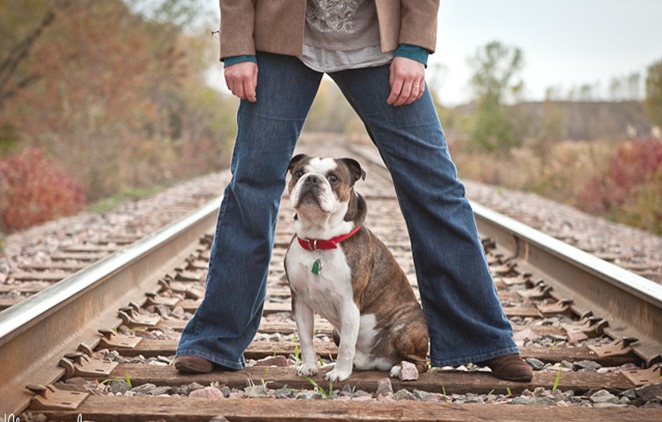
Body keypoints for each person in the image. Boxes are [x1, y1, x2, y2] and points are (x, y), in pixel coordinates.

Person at [173, 0, 533, 382]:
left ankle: (484, 338)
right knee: (251, 186)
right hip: (279, 37)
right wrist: (237, 46)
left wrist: (414, 46)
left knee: (437, 187)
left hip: (378, 41)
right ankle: (214, 340)